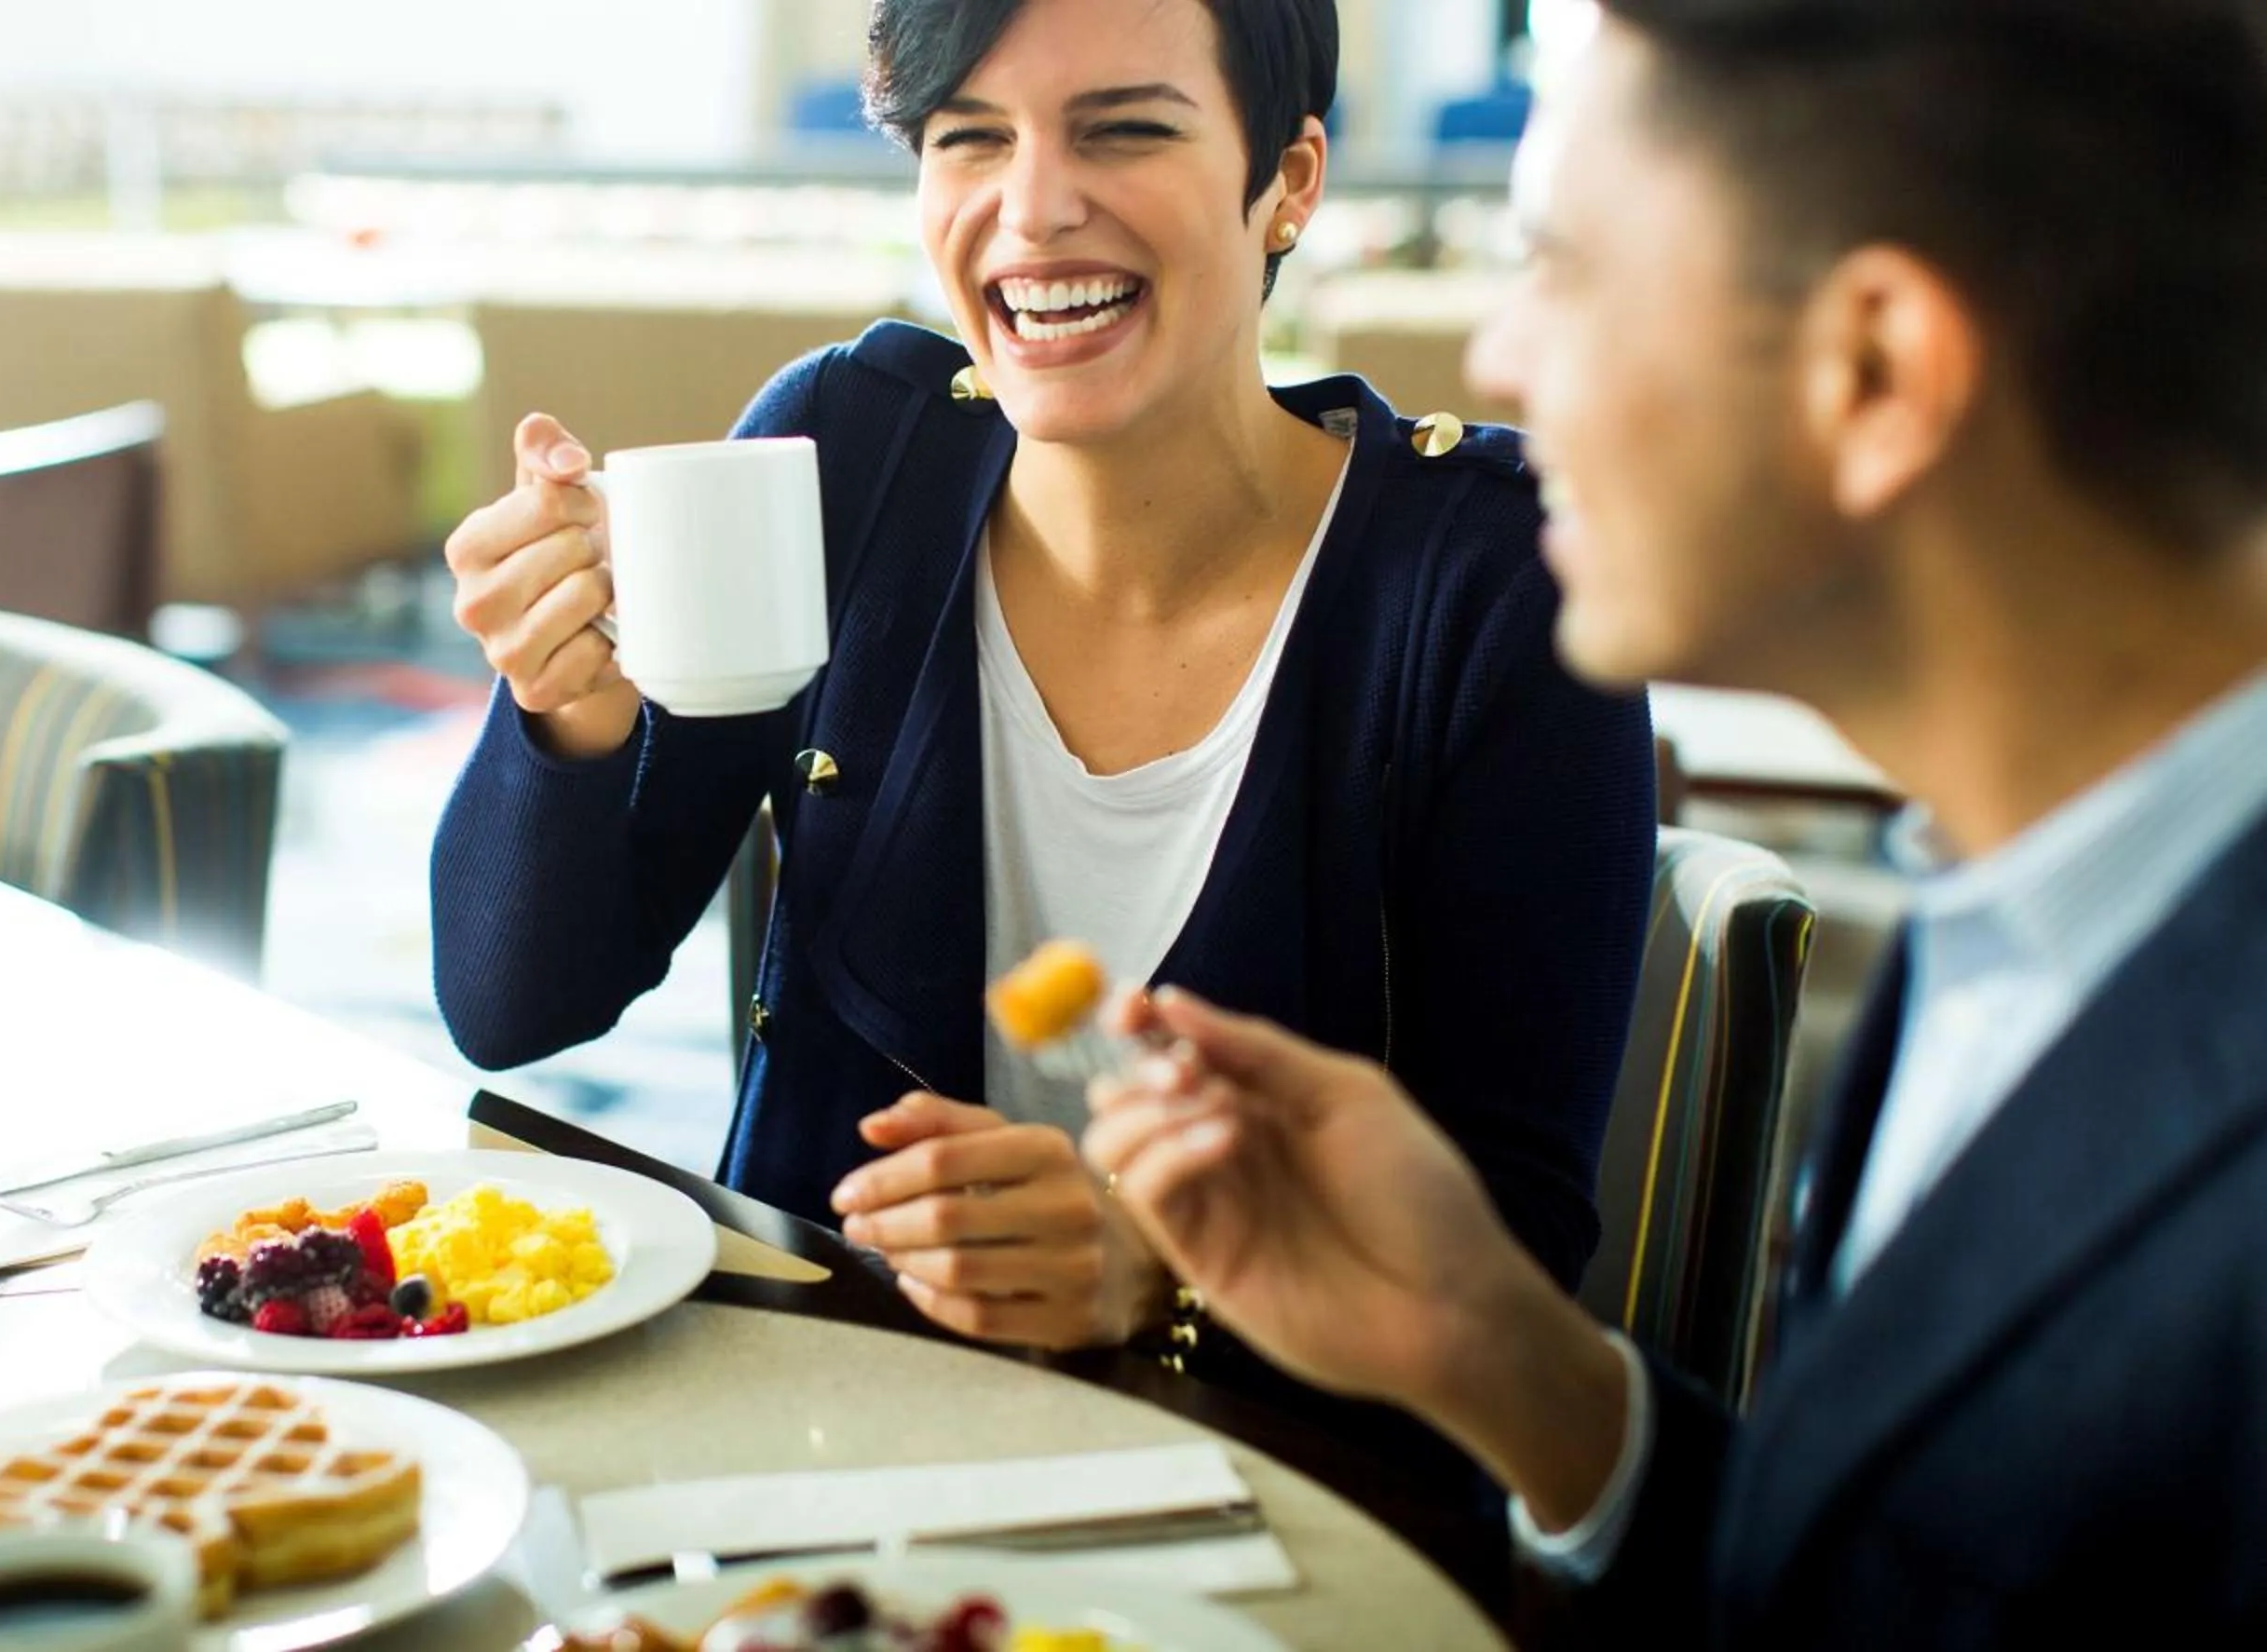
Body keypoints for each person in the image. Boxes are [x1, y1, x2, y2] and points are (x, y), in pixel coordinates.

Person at [1085, 0, 2267, 1644]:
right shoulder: (2017, 909)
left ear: (1873, 369)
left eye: (1561, 268)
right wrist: (1508, 1355)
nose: (1497, 358)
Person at [430, 0, 1654, 1378]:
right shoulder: (848, 459)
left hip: (1287, 1491)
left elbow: (1519, 1241)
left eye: (1124, 131)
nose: (1035, 207)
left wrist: (1166, 1278)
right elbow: (516, 1007)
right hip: (818, 1443)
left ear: (1289, 182)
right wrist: (562, 706)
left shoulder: (1490, 585)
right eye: (970, 140)